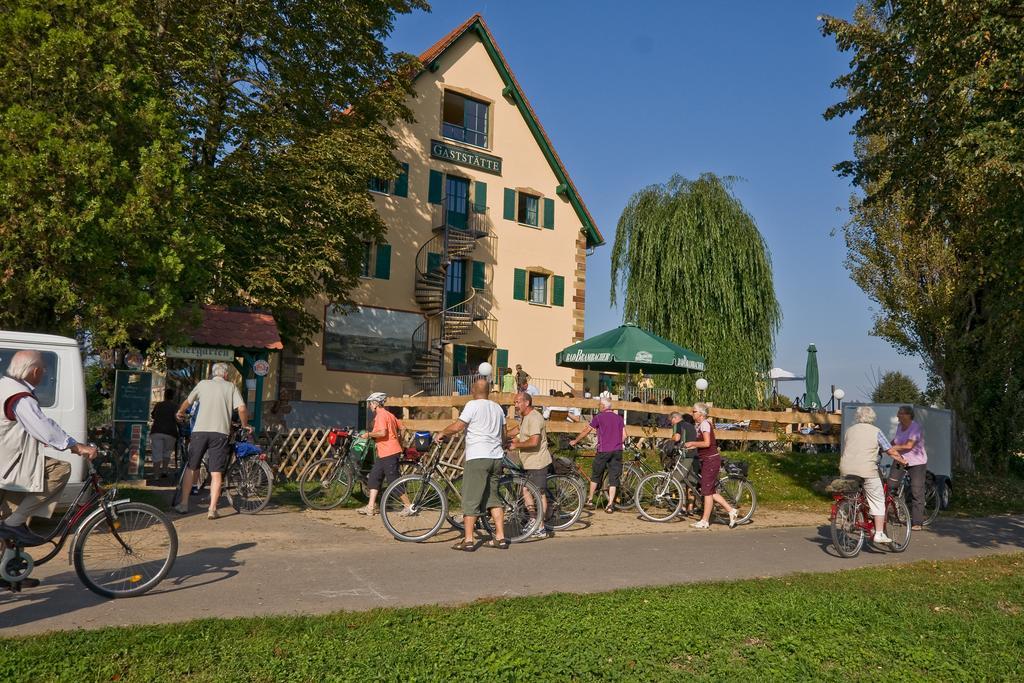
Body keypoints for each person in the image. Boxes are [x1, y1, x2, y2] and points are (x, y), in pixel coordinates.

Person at [0, 351, 98, 553]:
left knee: (9, 511)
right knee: (59, 469)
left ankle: (12, 571)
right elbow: (44, 428)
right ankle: (14, 525)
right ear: (35, 371)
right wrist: (77, 446)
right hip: (8, 465)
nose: (44, 373)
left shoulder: (5, 385)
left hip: (7, 462)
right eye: (44, 369)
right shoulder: (19, 396)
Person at [437, 377, 508, 551]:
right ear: (489, 391)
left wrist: (441, 433)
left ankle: (468, 540)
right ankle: (500, 537)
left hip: (478, 457)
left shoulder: (472, 405)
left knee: (470, 499)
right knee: (493, 498)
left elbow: (458, 426)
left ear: (473, 390)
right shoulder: (497, 408)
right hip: (496, 457)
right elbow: (504, 433)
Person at [174, 363, 250, 520]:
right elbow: (242, 409)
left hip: (199, 432)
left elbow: (187, 402)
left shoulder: (202, 384)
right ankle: (212, 509)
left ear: (212, 374)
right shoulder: (231, 387)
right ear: (226, 375)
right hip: (220, 433)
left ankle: (184, 504)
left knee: (191, 467)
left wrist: (180, 412)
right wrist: (245, 425)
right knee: (216, 472)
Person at [839, 405, 905, 544]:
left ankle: (851, 514)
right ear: (872, 417)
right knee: (878, 499)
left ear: (857, 417)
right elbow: (889, 450)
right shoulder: (876, 431)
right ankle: (879, 533)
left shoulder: (849, 431)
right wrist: (902, 460)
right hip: (867, 469)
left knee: (853, 496)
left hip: (847, 469)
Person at [683, 403, 739, 529]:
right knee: (710, 491)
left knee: (707, 492)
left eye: (694, 411)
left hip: (710, 460)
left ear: (701, 414)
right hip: (707, 460)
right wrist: (692, 446)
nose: (693, 413)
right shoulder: (701, 425)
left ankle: (705, 521)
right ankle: (731, 511)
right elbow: (702, 443)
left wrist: (692, 443)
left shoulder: (704, 424)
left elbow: (707, 443)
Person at [506, 391, 552, 539]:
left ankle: (541, 527)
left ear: (527, 402)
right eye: (515, 402)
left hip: (537, 460)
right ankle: (534, 519)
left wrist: (516, 445)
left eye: (518, 402)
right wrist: (504, 435)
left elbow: (534, 441)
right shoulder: (525, 417)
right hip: (528, 461)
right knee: (525, 490)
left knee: (539, 493)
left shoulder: (535, 418)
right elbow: (518, 430)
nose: (516, 405)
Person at [358, 393, 413, 516]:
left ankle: (409, 506)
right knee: (374, 477)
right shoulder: (390, 415)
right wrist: (399, 441)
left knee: (393, 480)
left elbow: (382, 433)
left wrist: (368, 435)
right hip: (384, 452)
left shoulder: (381, 415)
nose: (369, 406)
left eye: (370, 403)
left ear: (375, 403)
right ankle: (371, 507)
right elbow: (403, 428)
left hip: (389, 452)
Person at [569, 396, 626, 513]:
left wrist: (575, 441)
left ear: (603, 406)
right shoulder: (619, 418)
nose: (598, 407)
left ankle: (590, 500)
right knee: (613, 477)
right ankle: (610, 504)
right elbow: (625, 435)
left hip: (604, 450)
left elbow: (587, 430)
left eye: (599, 405)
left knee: (596, 474)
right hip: (617, 451)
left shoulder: (599, 417)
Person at [889, 406, 928, 530]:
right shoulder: (900, 427)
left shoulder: (915, 427)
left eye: (900, 413)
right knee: (890, 486)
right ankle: (892, 514)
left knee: (916, 490)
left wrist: (893, 448)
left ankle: (917, 522)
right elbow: (895, 441)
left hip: (917, 462)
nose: (898, 416)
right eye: (898, 413)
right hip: (900, 460)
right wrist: (884, 445)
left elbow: (909, 445)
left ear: (908, 415)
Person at [149, 390, 179, 479]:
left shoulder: (158, 405)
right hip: (170, 432)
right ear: (173, 397)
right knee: (167, 452)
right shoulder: (175, 406)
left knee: (156, 453)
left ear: (164, 396)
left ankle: (156, 475)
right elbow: (178, 418)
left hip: (157, 431)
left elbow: (153, 415)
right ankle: (164, 471)